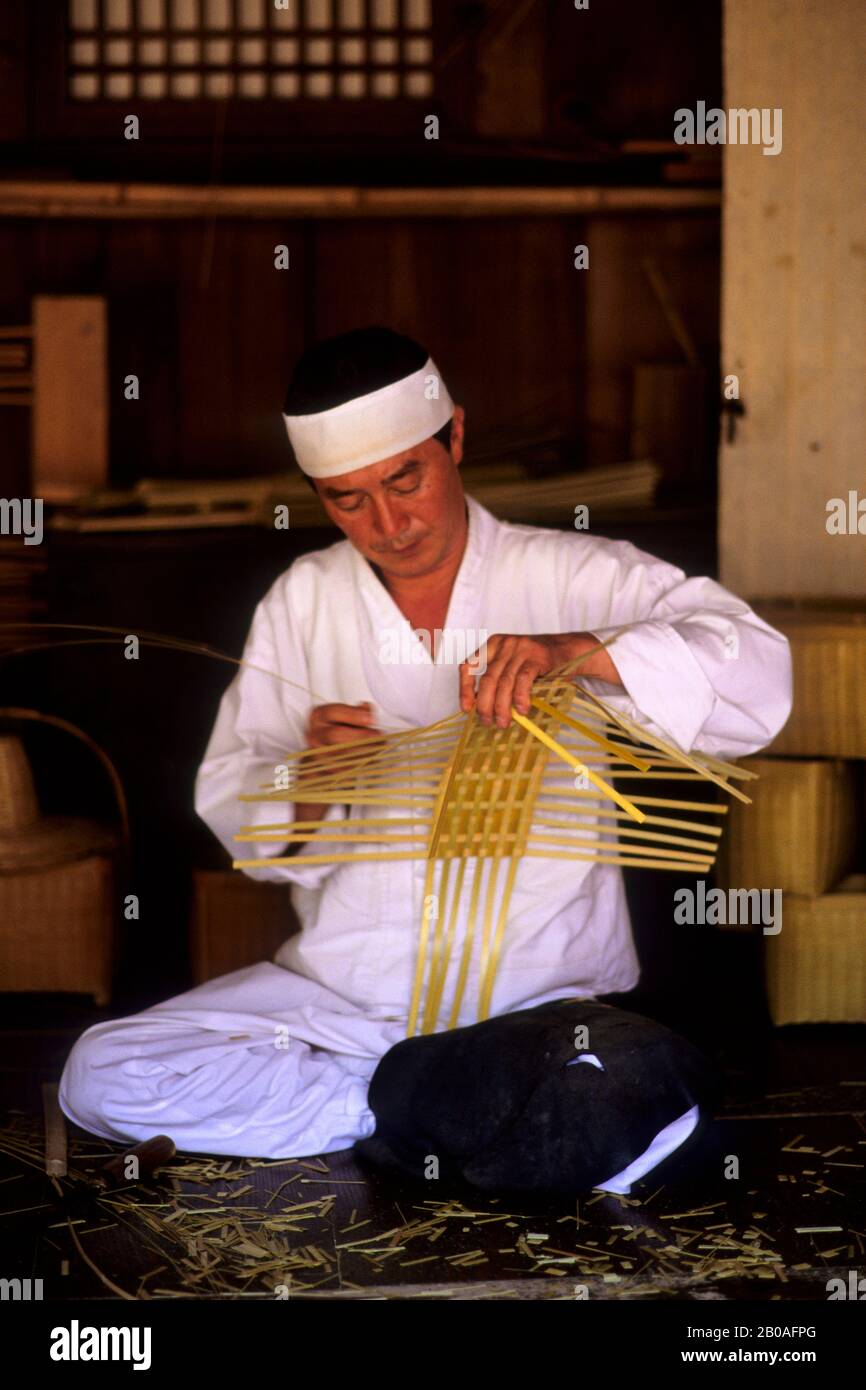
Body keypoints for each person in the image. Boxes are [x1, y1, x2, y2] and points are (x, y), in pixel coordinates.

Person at [59, 326, 792, 1194]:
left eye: (406, 479)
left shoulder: (576, 573)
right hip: (340, 999)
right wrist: (310, 777)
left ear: (456, 438)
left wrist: (581, 652)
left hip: (530, 1005)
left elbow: (758, 673)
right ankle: (419, 1102)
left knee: (603, 1077)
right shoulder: (305, 600)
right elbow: (237, 805)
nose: (390, 523)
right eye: (348, 499)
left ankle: (443, 1099)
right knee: (100, 1073)